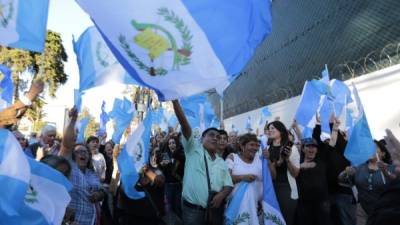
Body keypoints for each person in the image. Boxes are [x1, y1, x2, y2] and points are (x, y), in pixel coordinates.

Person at [172, 100, 233, 225]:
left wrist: (222, 195)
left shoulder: (221, 162)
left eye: (218, 137)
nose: (215, 138)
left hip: (214, 212)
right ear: (202, 139)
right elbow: (184, 125)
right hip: (192, 212)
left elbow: (229, 185)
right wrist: (174, 100)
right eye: (211, 135)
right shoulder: (193, 149)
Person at [59, 107, 105, 225]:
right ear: (73, 155)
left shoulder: (92, 173)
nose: (83, 153)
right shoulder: (69, 168)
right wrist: (73, 120)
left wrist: (99, 195)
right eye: (79, 151)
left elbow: (101, 190)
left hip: (91, 220)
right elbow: (66, 144)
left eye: (86, 152)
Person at [338, 140, 397, 225]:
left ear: (383, 154)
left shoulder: (392, 169)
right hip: (363, 213)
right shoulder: (358, 168)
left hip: (386, 213)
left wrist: (386, 173)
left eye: (374, 147)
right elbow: (341, 180)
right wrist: (345, 173)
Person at [225, 133, 265, 225]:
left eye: (257, 145)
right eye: (251, 144)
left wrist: (268, 160)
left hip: (257, 208)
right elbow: (225, 178)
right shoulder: (232, 157)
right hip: (236, 207)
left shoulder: (260, 159)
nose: (255, 148)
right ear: (242, 145)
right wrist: (243, 177)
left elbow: (272, 177)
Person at [265, 121, 300, 225]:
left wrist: (287, 160)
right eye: (269, 128)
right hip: (270, 188)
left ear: (280, 130)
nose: (270, 130)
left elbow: (295, 174)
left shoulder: (291, 148)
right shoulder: (266, 149)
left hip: (286, 188)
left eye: (273, 128)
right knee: (271, 220)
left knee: (286, 219)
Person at [296, 138, 331, 225]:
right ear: (303, 149)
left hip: (322, 203)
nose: (311, 149)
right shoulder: (297, 163)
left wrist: (334, 127)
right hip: (304, 204)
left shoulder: (322, 159)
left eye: (314, 147)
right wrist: (300, 166)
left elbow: (332, 143)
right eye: (308, 146)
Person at [157, 134, 185, 218]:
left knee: (178, 207)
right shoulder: (164, 156)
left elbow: (183, 170)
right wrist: (162, 165)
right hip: (168, 185)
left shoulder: (181, 156)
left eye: (173, 143)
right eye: (169, 143)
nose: (171, 145)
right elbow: (160, 169)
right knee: (168, 207)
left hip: (178, 185)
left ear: (176, 144)